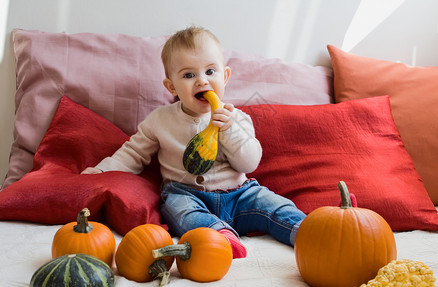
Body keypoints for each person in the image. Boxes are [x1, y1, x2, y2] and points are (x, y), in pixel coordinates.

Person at [81, 26, 306, 258]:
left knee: (273, 204)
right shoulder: (160, 120)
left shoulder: (236, 118)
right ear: (172, 87)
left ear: (225, 76)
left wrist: (229, 129)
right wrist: (102, 170)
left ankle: (306, 232)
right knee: (179, 211)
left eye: (210, 71)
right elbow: (132, 154)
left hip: (239, 195)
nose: (201, 81)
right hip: (186, 194)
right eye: (189, 75)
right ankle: (218, 238)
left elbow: (248, 163)